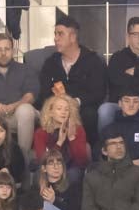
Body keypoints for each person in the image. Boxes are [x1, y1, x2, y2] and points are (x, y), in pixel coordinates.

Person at [39, 13, 109, 144]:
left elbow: (98, 92)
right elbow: (44, 91)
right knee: (46, 114)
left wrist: (75, 102)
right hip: (56, 107)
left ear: (73, 37)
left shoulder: (93, 61)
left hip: (83, 107)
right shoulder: (51, 63)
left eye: (60, 34)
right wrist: (59, 104)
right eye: (55, 34)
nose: (55, 38)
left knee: (90, 115)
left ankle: (91, 156)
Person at [34, 94, 91, 184]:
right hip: (49, 168)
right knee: (39, 175)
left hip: (71, 169)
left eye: (67, 109)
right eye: (59, 109)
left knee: (73, 174)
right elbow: (43, 161)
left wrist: (72, 138)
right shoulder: (41, 133)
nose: (63, 112)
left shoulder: (78, 130)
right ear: (51, 112)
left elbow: (82, 162)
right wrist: (59, 142)